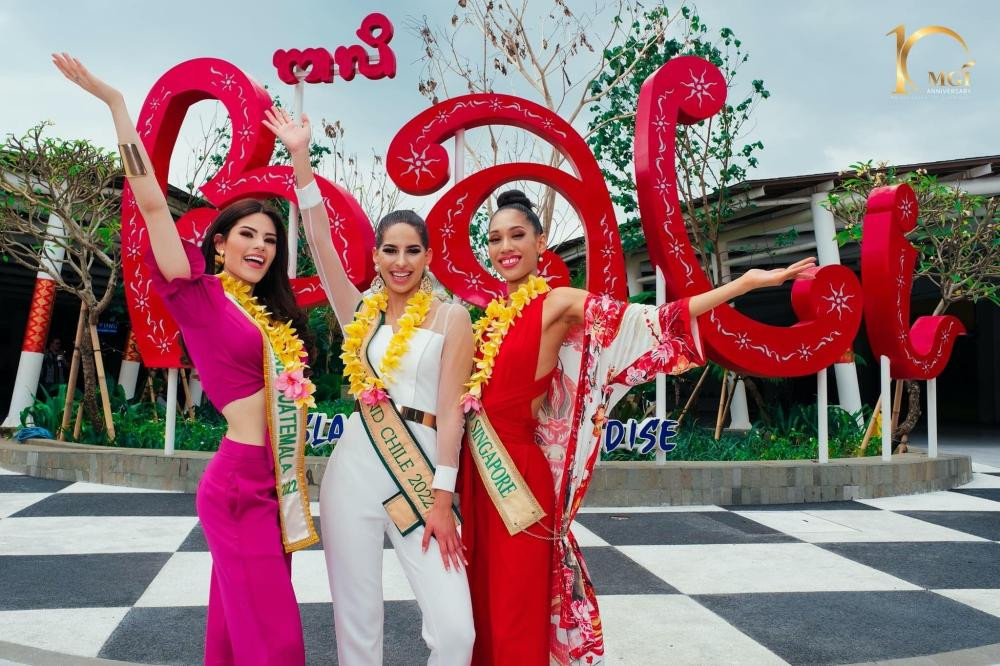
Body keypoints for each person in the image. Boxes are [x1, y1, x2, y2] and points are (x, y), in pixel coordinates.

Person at [460, 189, 818, 665]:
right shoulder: (490, 320)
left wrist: (744, 284)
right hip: (479, 474)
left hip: (519, 478)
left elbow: (650, 320)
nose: (506, 247)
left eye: (517, 235)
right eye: (495, 238)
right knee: (481, 598)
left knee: (516, 605)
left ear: (540, 242)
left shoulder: (558, 302)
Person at [55, 54, 318, 666]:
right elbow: (151, 204)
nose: (260, 247)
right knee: (274, 637)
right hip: (238, 485)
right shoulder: (197, 295)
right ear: (219, 243)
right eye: (247, 234)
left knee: (234, 629)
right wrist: (118, 106)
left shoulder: (269, 316)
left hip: (274, 480)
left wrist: (301, 160)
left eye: (270, 239)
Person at [262, 107, 475, 665]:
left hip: (422, 472)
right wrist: (301, 158)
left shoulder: (452, 317)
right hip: (355, 468)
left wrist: (444, 495)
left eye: (412, 250)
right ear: (376, 257)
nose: (401, 262)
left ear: (428, 257)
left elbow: (452, 411)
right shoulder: (361, 314)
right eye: (390, 250)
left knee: (456, 631)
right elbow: (319, 241)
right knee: (356, 623)